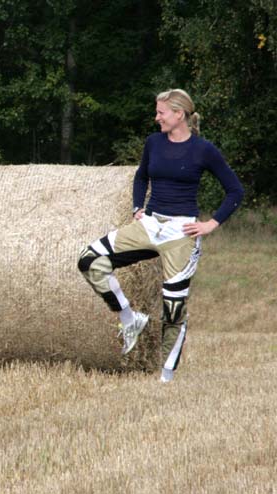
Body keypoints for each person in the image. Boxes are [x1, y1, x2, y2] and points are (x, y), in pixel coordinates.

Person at [77, 89, 243, 382]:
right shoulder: (153, 143)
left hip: (181, 232)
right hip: (149, 224)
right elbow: (142, 176)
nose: (156, 118)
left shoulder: (204, 150)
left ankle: (166, 376)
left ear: (179, 115)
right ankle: (130, 318)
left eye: (161, 112)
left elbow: (235, 191)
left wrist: (210, 224)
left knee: (173, 309)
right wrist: (137, 207)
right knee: (89, 260)